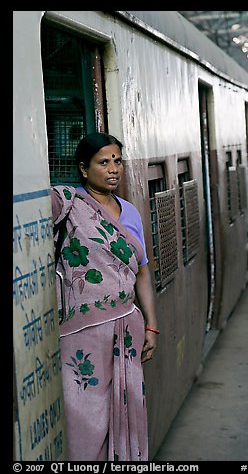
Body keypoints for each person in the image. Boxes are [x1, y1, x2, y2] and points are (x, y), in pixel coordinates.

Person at [51, 132, 158, 461]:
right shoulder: (67, 203)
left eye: (117, 161)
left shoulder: (130, 212)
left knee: (124, 410)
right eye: (103, 162)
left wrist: (152, 326)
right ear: (84, 169)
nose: (113, 169)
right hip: (80, 335)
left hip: (127, 328)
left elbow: (142, 271)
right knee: (84, 414)